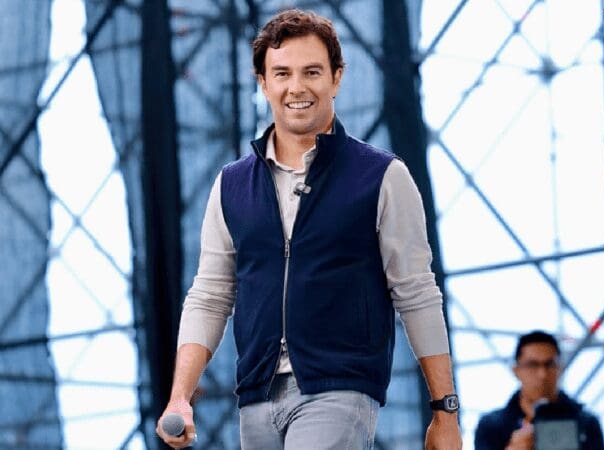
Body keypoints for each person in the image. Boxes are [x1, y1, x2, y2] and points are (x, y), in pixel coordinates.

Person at [156, 8, 461, 450]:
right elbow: (210, 294)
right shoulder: (231, 185)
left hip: (339, 388)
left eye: (312, 72)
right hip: (257, 395)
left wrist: (445, 409)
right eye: (282, 73)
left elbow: (416, 292)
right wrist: (180, 397)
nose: (296, 87)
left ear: (336, 78)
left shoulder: (382, 177)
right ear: (263, 83)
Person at [475, 331, 604, 450]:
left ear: (559, 369)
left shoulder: (587, 423)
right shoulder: (492, 426)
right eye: (532, 365)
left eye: (549, 364)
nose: (542, 374)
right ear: (516, 371)